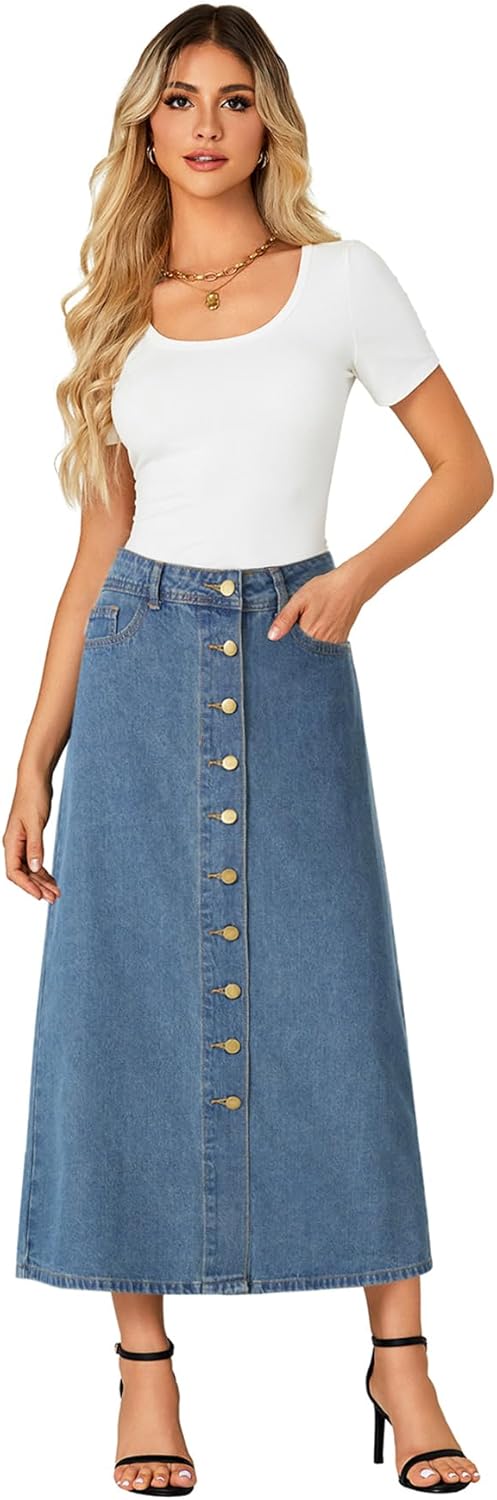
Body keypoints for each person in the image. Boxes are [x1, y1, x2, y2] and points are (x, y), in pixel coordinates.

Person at [5, 6, 491, 1496]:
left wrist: (356, 582)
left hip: (291, 654)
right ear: (144, 129)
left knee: (340, 997)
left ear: (267, 120)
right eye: (178, 100)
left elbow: (463, 468)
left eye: (232, 98)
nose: (205, 125)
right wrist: (36, 757)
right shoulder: (118, 310)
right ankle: (144, 1375)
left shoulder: (343, 280)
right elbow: (97, 555)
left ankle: (400, 1362)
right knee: (121, 1009)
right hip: (140, 667)